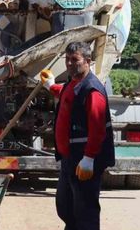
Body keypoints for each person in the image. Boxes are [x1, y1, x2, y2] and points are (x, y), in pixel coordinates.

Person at [40, 42, 115, 230]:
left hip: (83, 160)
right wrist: (51, 86)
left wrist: (89, 158)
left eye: (75, 60)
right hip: (69, 159)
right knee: (65, 206)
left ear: (87, 61)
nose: (70, 64)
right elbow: (66, 94)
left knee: (85, 210)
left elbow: (98, 128)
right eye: (67, 59)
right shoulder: (74, 82)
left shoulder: (92, 90)